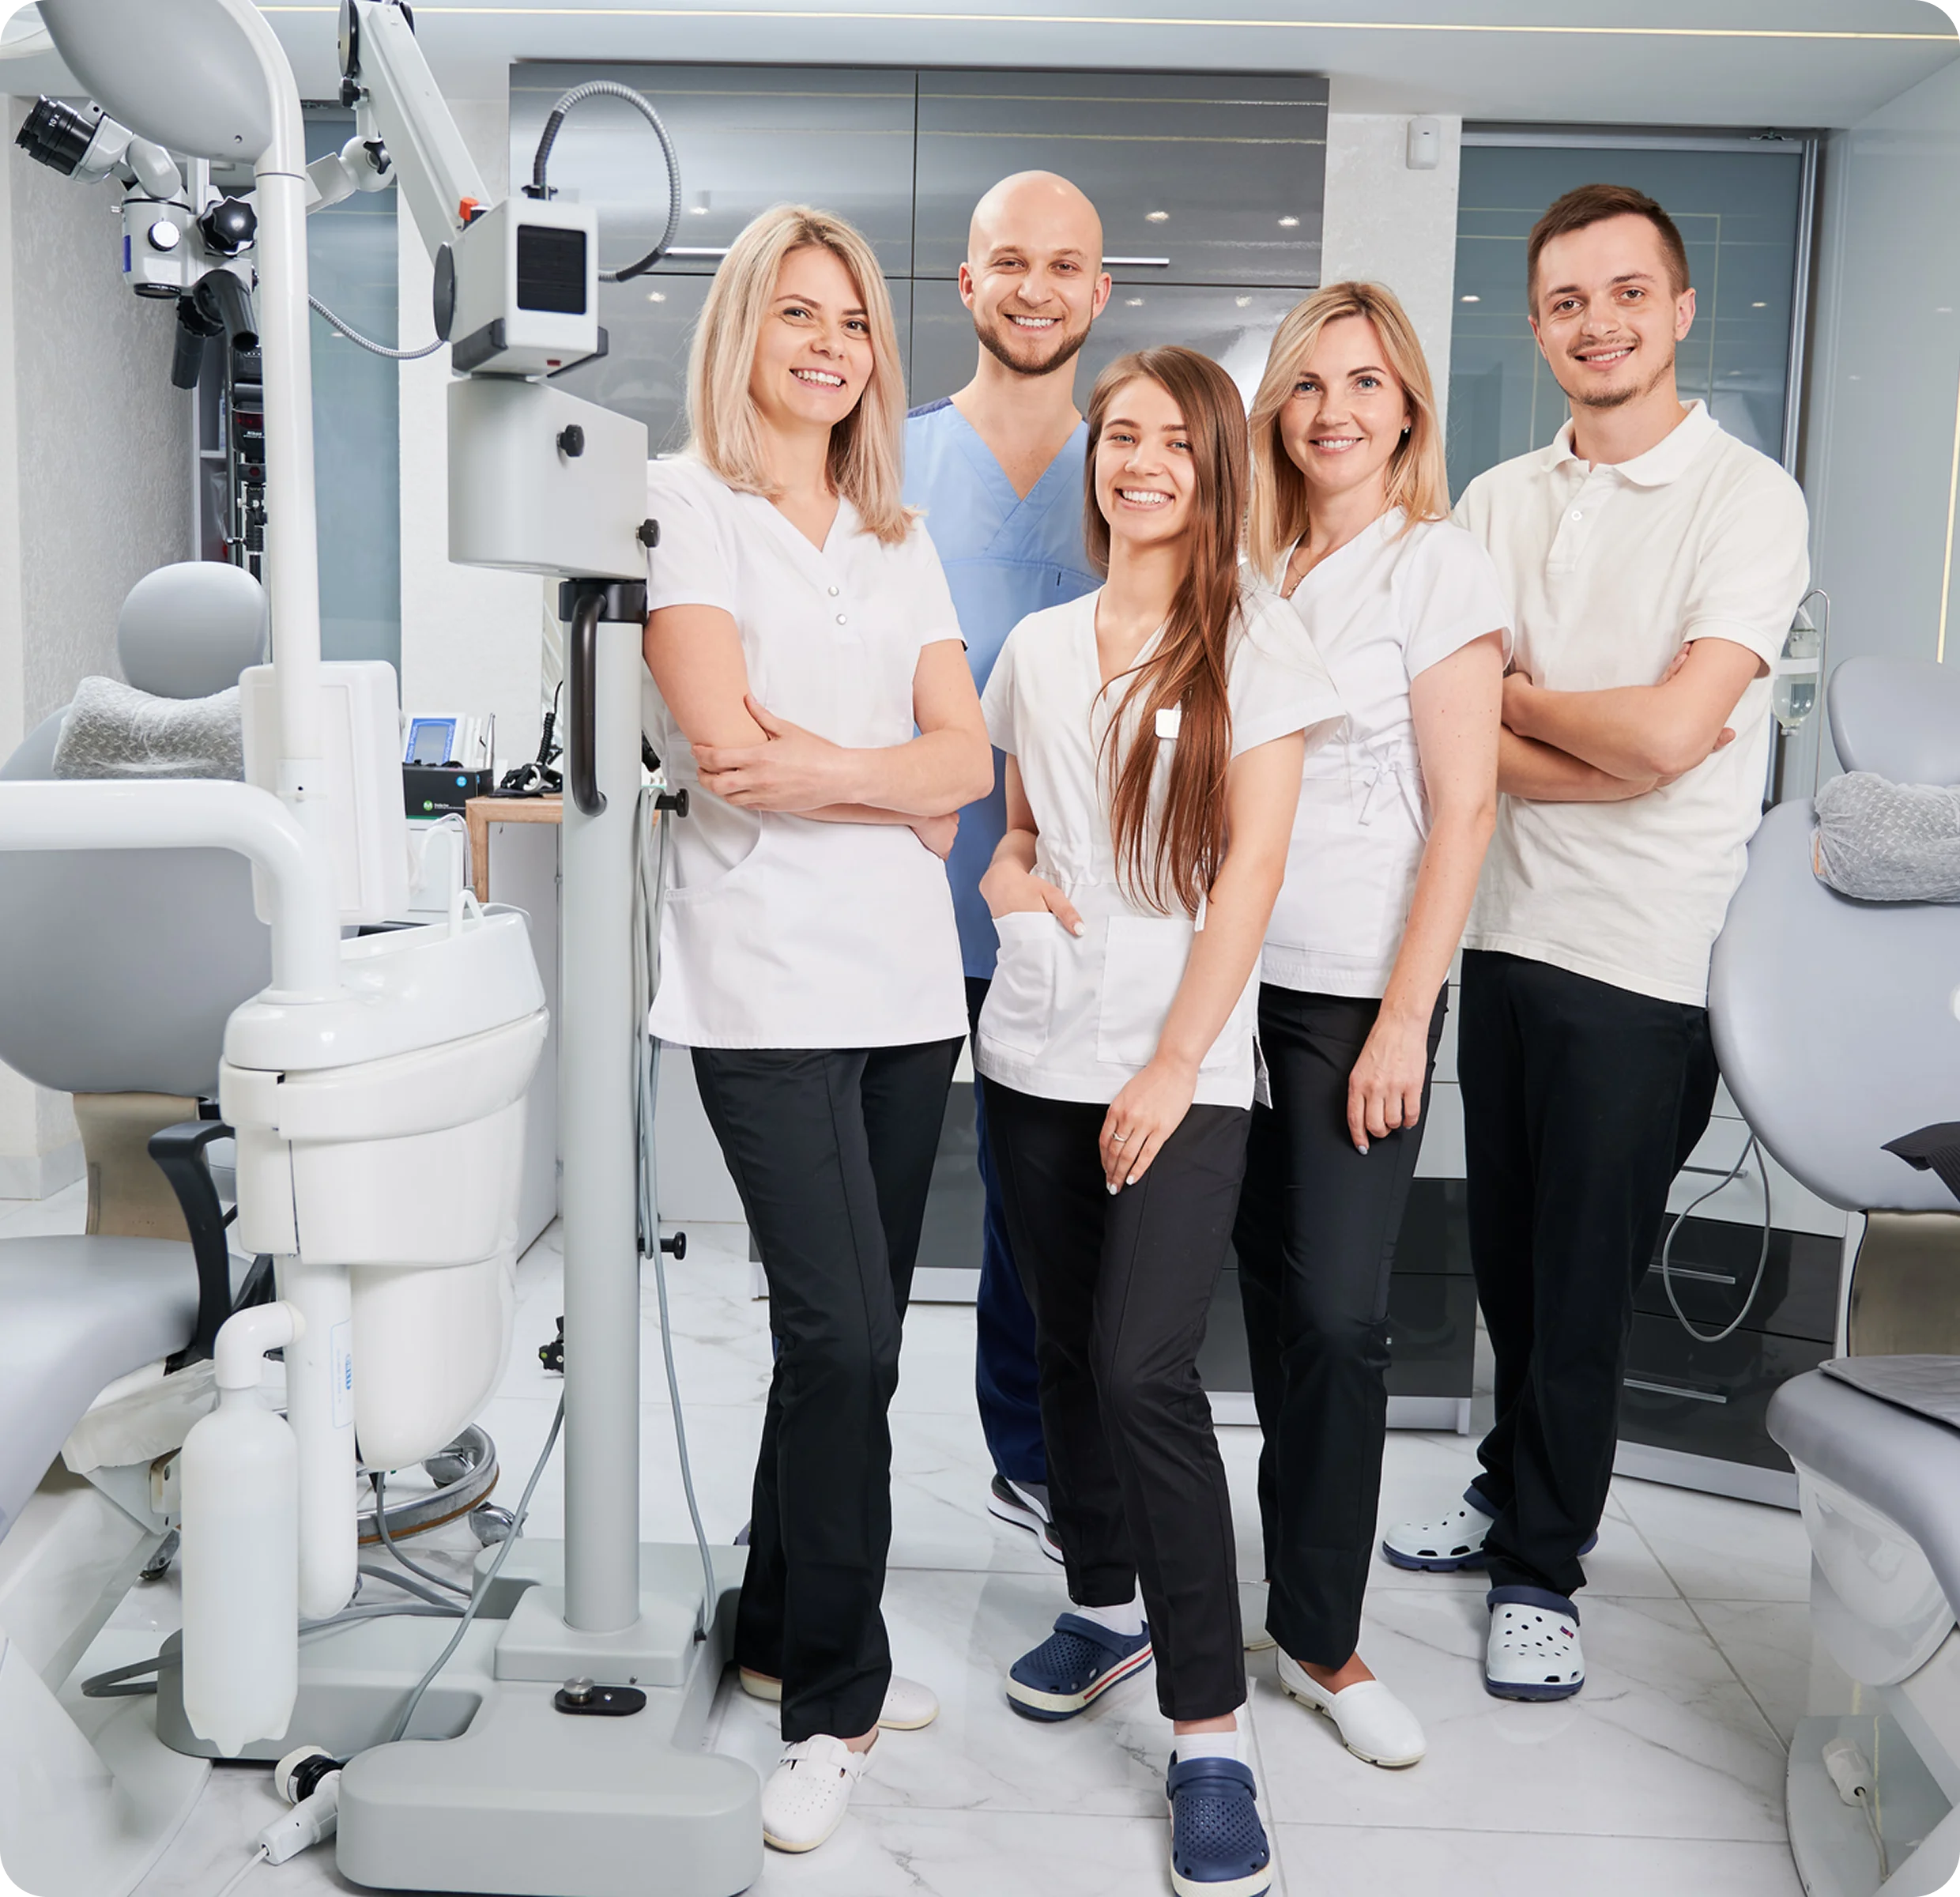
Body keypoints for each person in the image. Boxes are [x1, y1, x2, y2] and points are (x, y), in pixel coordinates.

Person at [1382, 183, 1810, 1703]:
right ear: (1538, 324)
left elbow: (1684, 732)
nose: (1598, 324)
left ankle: (1543, 1570)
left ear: (1682, 311)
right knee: (1508, 1253)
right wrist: (1601, 737)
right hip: (1500, 931)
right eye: (1567, 301)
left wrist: (1526, 711)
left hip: (1644, 958)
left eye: (1627, 294)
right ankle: (1511, 1484)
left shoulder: (1746, 499)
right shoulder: (1496, 500)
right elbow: (1465, 736)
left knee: (1578, 1284)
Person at [640, 203, 993, 1853]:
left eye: (851, 320)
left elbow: (965, 764)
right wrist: (892, 783)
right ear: (745, 331)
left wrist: (843, 773)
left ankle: (786, 1636)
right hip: (761, 985)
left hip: (909, 996)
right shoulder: (682, 506)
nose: (830, 345)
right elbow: (725, 748)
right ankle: (838, 1706)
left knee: (845, 1341)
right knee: (843, 1336)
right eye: (797, 314)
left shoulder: (894, 527)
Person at [977, 345, 1343, 1897]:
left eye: (1171, 444)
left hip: (1179, 1065)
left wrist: (1168, 1062)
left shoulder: (1257, 644)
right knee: (1064, 1350)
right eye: (1119, 437)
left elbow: (1249, 876)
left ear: (1213, 468)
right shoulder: (1041, 644)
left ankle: (1211, 1730)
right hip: (1034, 1046)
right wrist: (1000, 880)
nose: (1140, 463)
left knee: (1142, 1372)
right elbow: (1011, 832)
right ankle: (1105, 1601)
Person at [1234, 282, 1509, 1767]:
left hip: (1356, 995)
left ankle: (1327, 1642)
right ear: (1277, 409)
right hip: (1223, 985)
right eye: (1307, 384)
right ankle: (1275, 1598)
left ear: (1407, 407)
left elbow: (1464, 810)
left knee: (1338, 1315)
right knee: (1265, 1307)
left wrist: (1407, 1018)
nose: (1334, 409)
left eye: (1365, 381)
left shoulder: (1439, 569)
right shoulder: (1248, 566)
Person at [903, 171, 1112, 1556]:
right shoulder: (890, 458)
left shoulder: (1144, 455)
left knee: (1044, 1212)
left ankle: (1035, 1459)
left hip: (1077, 908)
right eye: (1009, 263)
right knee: (867, 1214)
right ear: (968, 288)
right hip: (900, 900)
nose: (1036, 287)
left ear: (1102, 294)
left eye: (1066, 265)